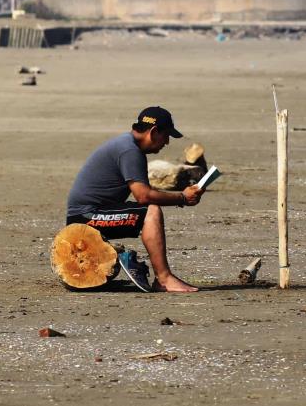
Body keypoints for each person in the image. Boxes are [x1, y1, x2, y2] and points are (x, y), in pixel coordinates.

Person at [66, 106, 203, 293]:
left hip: (91, 213)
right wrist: (182, 198)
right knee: (151, 211)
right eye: (166, 136)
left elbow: (143, 194)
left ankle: (137, 264)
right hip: (84, 218)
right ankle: (164, 279)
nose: (167, 142)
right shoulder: (129, 150)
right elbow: (143, 196)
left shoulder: (127, 145)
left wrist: (181, 197)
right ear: (154, 132)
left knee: (148, 209)